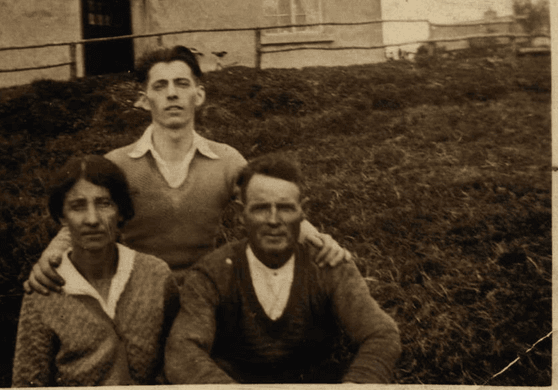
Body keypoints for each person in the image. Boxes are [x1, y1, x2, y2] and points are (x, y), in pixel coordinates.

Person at [25, 45, 349, 293]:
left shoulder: (226, 160)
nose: (171, 93)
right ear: (143, 99)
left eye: (181, 83)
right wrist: (49, 259)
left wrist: (320, 241)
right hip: (135, 290)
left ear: (199, 94)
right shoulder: (117, 164)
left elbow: (270, 203)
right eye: (160, 86)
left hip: (206, 290)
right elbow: (83, 218)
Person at [164, 154, 401, 384]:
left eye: (286, 208)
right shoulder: (212, 273)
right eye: (261, 208)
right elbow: (182, 352)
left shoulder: (328, 265)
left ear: (302, 211)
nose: (274, 220)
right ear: (241, 214)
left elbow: (381, 333)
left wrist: (357, 384)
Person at [12, 155, 179, 386]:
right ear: (62, 216)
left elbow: (178, 359)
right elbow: (27, 383)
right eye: (77, 206)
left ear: (120, 211)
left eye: (104, 204)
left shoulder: (156, 275)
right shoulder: (43, 291)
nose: (92, 219)